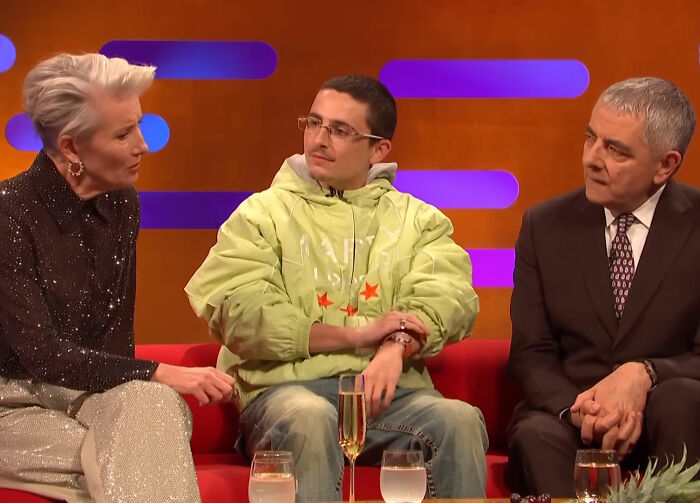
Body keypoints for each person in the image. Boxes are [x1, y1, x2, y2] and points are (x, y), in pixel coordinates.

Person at [185, 75, 488, 501]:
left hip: (390, 398)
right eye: (314, 123)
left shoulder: (419, 221)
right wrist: (360, 334)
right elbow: (240, 312)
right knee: (309, 416)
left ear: (378, 149)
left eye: (341, 130)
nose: (319, 139)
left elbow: (449, 296)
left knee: (458, 420)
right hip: (284, 396)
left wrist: (396, 344)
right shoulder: (261, 215)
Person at [0, 53, 234, 503]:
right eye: (123, 134)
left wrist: (143, 387)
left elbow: (114, 340)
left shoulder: (123, 203)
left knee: (153, 407)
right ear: (71, 148)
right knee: (140, 451)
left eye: (138, 126)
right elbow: (42, 354)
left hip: (90, 395)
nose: (142, 145)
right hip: (12, 406)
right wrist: (158, 371)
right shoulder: (8, 214)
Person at [507, 76, 700, 497]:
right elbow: (531, 354)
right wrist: (584, 410)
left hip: (668, 413)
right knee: (535, 434)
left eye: (615, 150)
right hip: (572, 416)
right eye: (590, 138)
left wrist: (645, 373)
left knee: (684, 400)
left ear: (665, 165)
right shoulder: (544, 225)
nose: (592, 159)